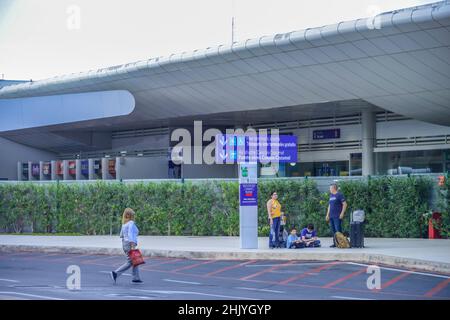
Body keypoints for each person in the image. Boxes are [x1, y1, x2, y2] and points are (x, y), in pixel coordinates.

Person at [110, 208, 143, 284]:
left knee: (135, 261)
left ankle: (136, 278)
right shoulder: (131, 223)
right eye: (132, 215)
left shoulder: (124, 224)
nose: (133, 216)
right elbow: (131, 234)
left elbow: (121, 235)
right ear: (128, 215)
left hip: (125, 243)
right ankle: (115, 273)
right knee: (130, 262)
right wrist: (132, 246)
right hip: (129, 243)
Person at [326, 183, 347, 248]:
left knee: (338, 230)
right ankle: (335, 243)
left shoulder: (339, 195)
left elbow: (345, 204)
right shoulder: (331, 195)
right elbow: (329, 206)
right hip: (331, 216)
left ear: (333, 188)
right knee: (333, 230)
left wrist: (342, 213)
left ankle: (341, 243)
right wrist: (327, 214)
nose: (329, 189)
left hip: (337, 216)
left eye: (330, 188)